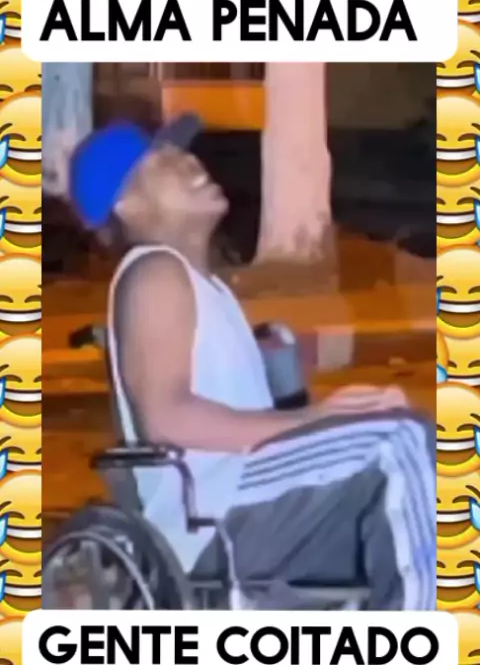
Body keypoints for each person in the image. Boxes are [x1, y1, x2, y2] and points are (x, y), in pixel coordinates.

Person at [69, 114, 436, 610]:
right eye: (163, 160)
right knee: (399, 443)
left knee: (408, 435)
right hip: (208, 513)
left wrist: (337, 415)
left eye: (184, 153)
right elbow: (166, 417)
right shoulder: (156, 271)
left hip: (245, 494)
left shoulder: (206, 287)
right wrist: (310, 422)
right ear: (127, 204)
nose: (190, 163)